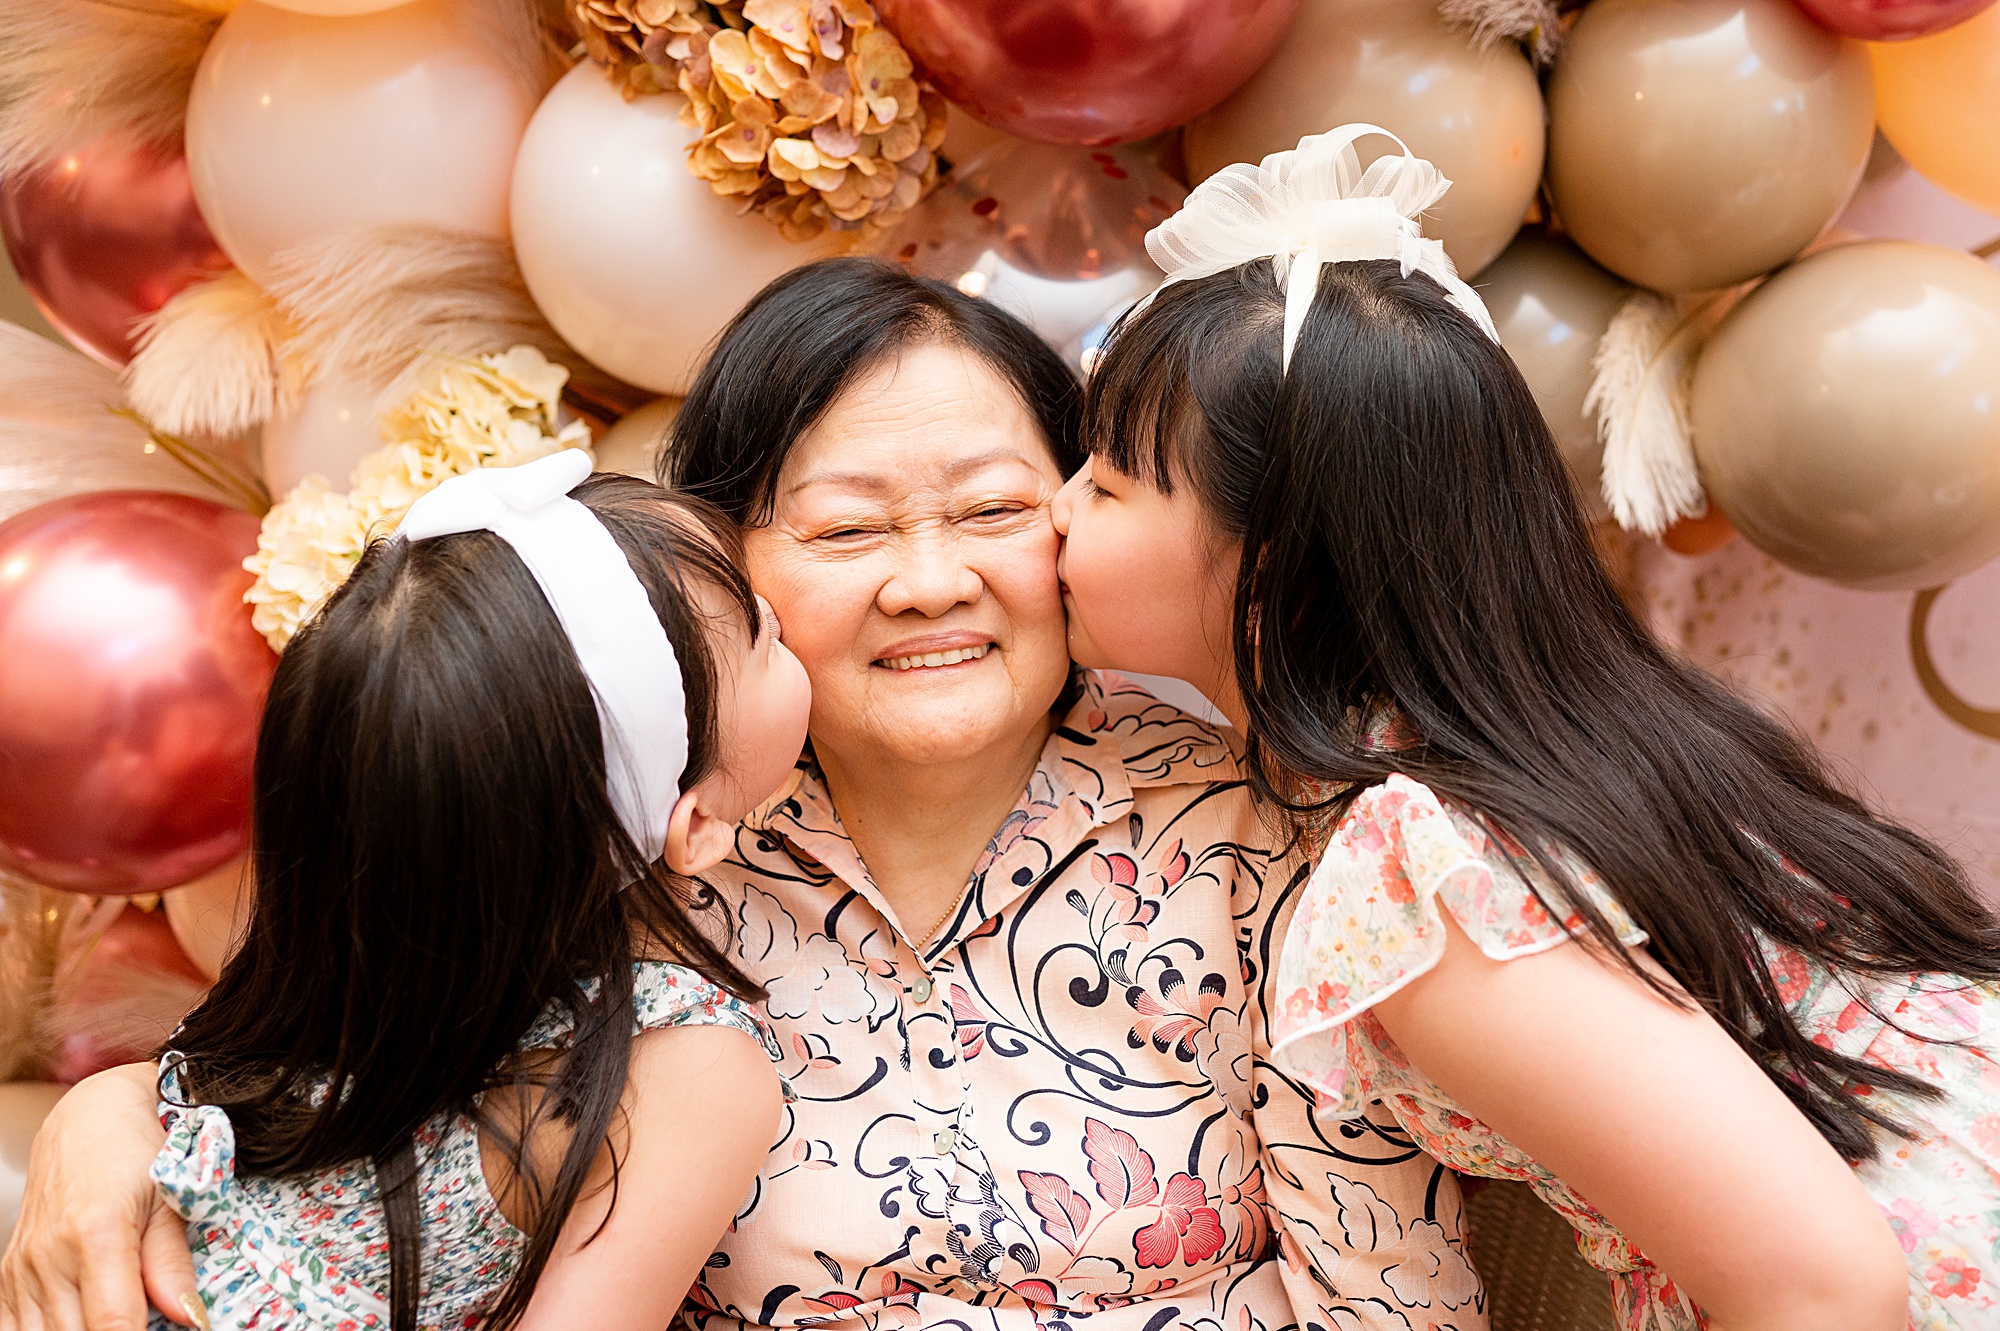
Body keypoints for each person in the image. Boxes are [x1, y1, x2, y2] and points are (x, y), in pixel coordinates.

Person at [0, 261, 1484, 1331]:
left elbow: (1392, 1299)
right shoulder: (621, 853)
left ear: (1085, 518)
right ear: (716, 567)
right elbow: (344, 1057)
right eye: (846, 529)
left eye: (991, 510)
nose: (929, 579)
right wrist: (112, 1118)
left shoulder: (1273, 841)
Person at [1050, 127, 2000, 1331]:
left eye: (1107, 478)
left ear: (1276, 564)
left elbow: (1823, 1287)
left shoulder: (1424, 871)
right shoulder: (1574, 735)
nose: (1054, 504)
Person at [130, 455, 809, 1331]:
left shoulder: (347, 971)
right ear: (701, 823)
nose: (783, 614)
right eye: (763, 632)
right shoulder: (688, 1063)